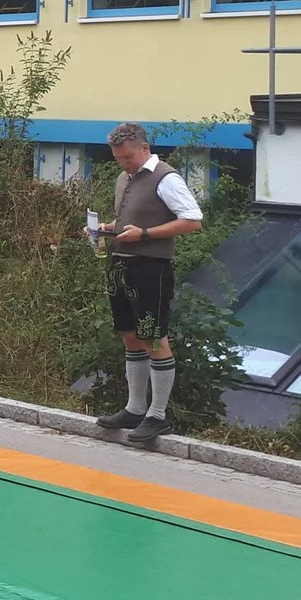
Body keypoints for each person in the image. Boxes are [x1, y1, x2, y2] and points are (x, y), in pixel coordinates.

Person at [94, 122, 204, 442]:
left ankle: (157, 415)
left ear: (144, 148)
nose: (123, 163)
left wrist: (144, 235)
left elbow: (192, 221)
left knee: (154, 337)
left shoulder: (166, 178)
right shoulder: (124, 178)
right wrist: (107, 228)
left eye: (127, 157)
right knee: (130, 335)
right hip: (121, 265)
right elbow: (130, 221)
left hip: (151, 268)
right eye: (118, 159)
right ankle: (134, 407)